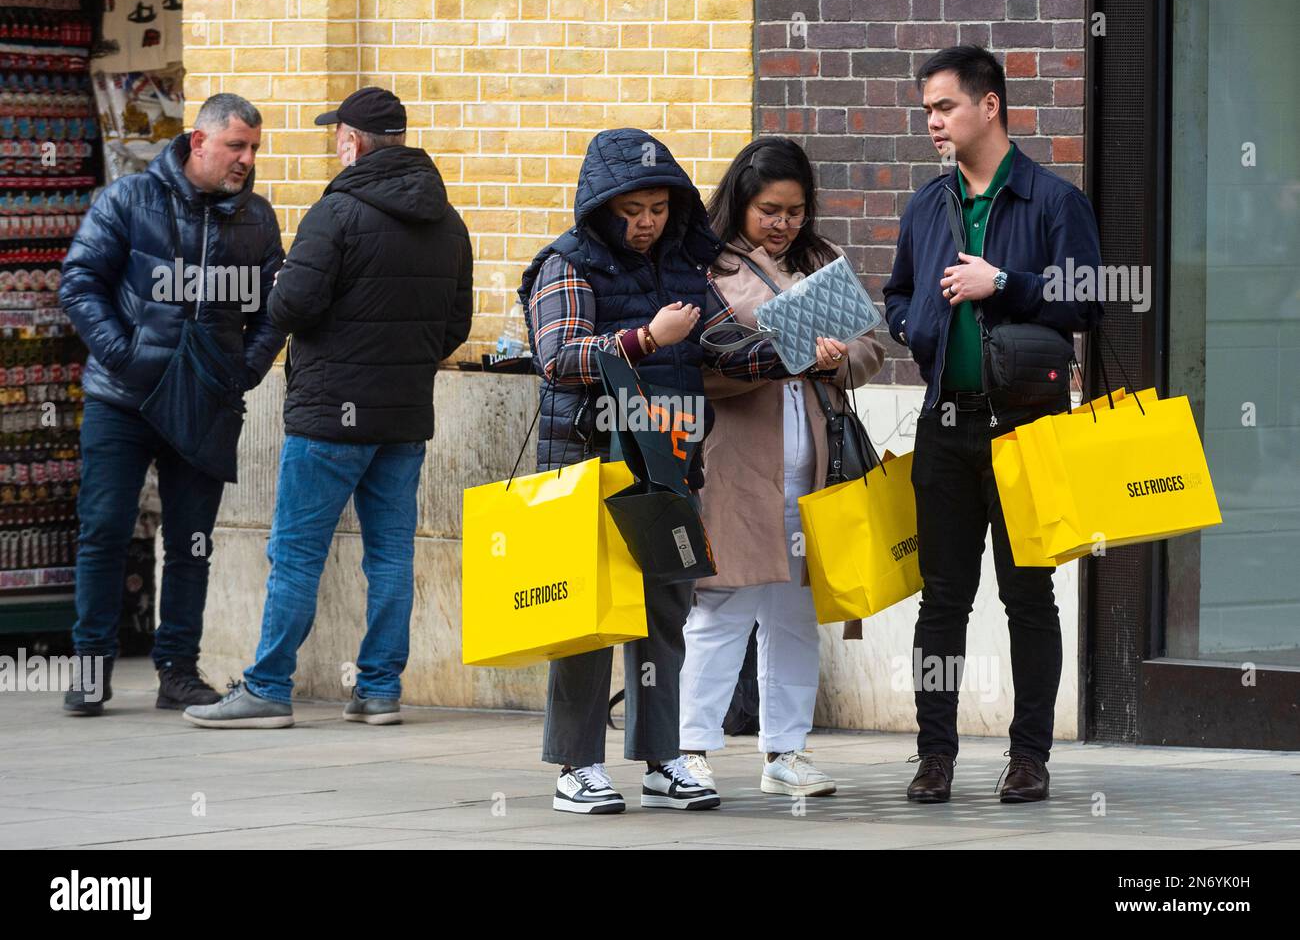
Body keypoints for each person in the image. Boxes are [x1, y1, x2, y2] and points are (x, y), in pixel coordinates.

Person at [517, 127, 846, 815]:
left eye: (658, 209)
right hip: (588, 464)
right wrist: (645, 338)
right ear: (601, 207)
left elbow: (726, 347)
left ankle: (664, 758)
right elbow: (558, 357)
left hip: (669, 463)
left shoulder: (683, 265)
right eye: (631, 210)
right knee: (588, 620)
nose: (646, 223)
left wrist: (798, 352)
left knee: (665, 612)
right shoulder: (568, 263)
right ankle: (575, 765)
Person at [183, 87, 473, 728]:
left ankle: (267, 688)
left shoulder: (335, 212)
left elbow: (292, 307)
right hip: (402, 417)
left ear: (352, 140)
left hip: (328, 416)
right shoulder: (448, 220)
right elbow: (456, 324)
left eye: (336, 134)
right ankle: (378, 690)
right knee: (391, 555)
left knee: (297, 553)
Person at [883, 46, 1103, 803]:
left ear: (989, 105)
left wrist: (1003, 282)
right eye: (927, 112)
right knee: (942, 599)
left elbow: (1088, 299)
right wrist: (915, 326)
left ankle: (1029, 756)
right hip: (945, 429)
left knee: (1029, 595)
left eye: (944, 107)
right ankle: (934, 756)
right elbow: (898, 293)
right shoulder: (926, 204)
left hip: (1027, 431)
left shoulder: (1051, 200)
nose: (934, 123)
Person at [59, 94, 285, 715]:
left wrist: (241, 372)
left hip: (205, 404)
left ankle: (178, 672)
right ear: (198, 141)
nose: (246, 159)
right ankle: (89, 668)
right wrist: (125, 355)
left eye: (254, 148)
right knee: (104, 530)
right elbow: (79, 284)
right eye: (236, 145)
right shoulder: (128, 200)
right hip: (122, 400)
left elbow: (277, 311)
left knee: (191, 542)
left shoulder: (257, 219)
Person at [678, 137, 885, 798]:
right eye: (771, 209)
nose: (784, 223)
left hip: (817, 463)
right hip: (738, 463)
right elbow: (699, 367)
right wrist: (782, 352)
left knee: (797, 612)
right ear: (740, 200)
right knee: (722, 606)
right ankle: (690, 749)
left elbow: (870, 349)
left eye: (795, 210)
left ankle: (787, 750)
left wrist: (835, 360)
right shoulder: (705, 268)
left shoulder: (819, 259)